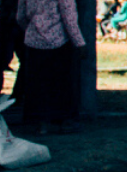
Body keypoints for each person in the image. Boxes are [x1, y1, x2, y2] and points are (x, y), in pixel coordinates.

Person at [15, 0, 86, 135]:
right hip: (58, 41)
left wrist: (32, 29)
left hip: (33, 42)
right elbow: (69, 17)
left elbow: (20, 17)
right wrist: (79, 42)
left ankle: (41, 124)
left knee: (37, 86)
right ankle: (65, 122)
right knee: (61, 84)